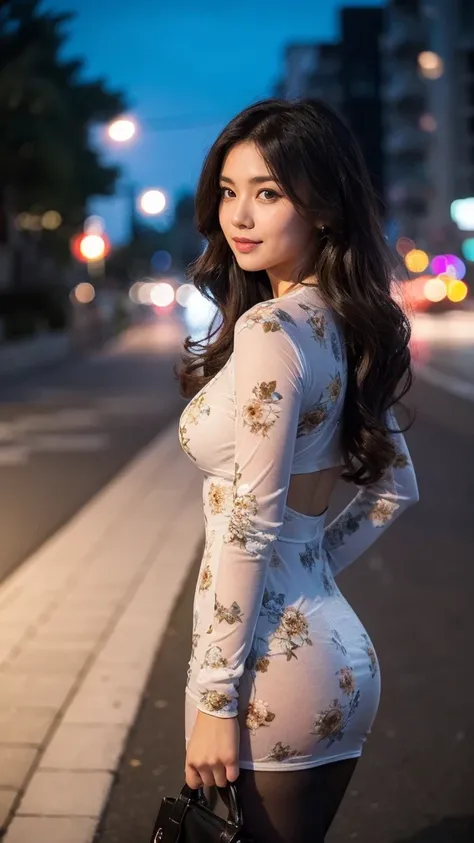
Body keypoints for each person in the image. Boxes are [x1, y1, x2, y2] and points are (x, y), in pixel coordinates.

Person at [175, 97, 419, 842]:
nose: (239, 216)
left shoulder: (271, 328)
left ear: (321, 208)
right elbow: (396, 487)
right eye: (229, 190)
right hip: (337, 654)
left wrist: (214, 698)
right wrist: (307, 564)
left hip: (265, 674)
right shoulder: (344, 319)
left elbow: (250, 520)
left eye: (269, 192)